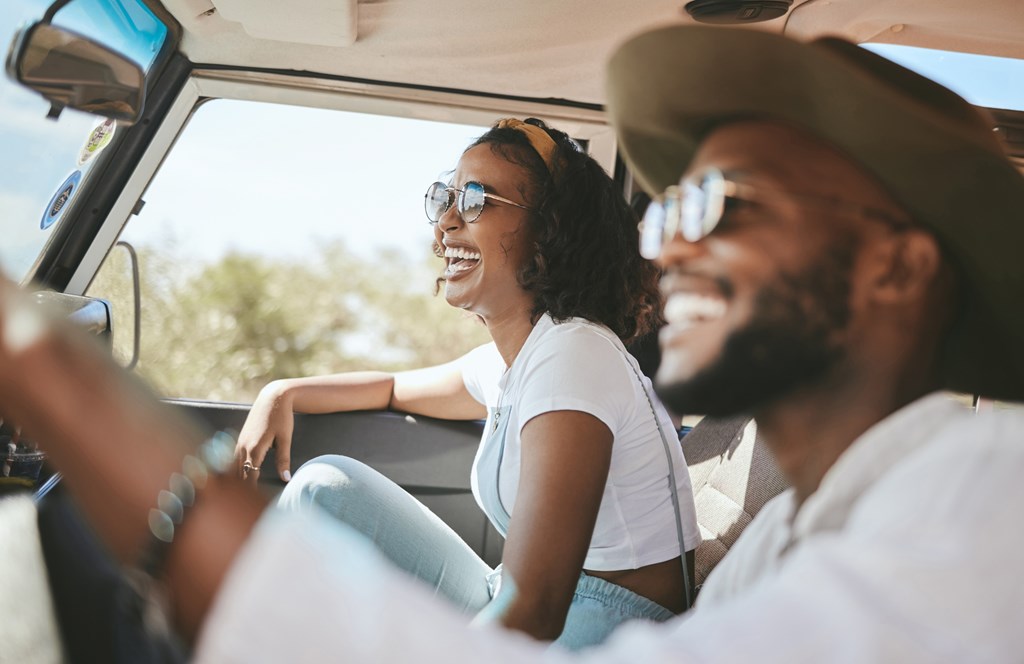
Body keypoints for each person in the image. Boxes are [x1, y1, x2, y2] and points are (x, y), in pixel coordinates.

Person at [1, 24, 1023, 663]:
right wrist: (287, 391)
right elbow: (417, 380)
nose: (675, 243)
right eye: (671, 210)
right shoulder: (793, 535)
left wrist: (50, 371)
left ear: (897, 265)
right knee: (324, 488)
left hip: (578, 616)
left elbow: (532, 621)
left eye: (724, 200)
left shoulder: (982, 495)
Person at [232, 117, 700, 649]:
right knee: (325, 487)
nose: (448, 222)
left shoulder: (574, 357)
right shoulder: (515, 360)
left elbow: (534, 610)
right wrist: (282, 392)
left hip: (602, 634)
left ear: (549, 229)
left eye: (477, 199)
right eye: (446, 197)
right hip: (532, 603)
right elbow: (389, 388)